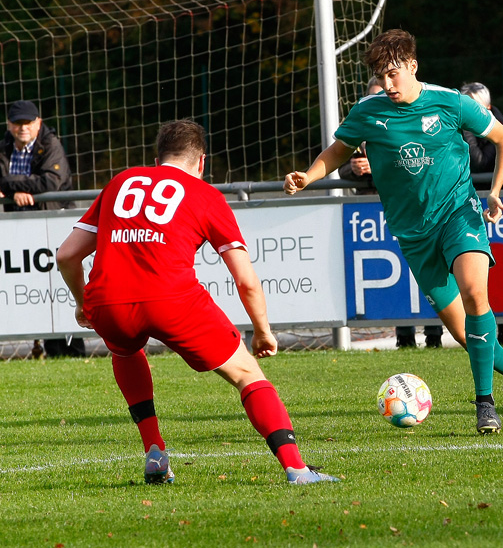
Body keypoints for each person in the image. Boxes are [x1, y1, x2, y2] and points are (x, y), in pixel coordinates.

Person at [284, 29, 503, 434]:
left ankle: (484, 405)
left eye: (393, 75)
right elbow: (339, 150)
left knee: (476, 295)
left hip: (459, 214)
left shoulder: (451, 103)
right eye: (381, 77)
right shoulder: (368, 111)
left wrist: (493, 190)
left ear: (412, 66)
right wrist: (309, 175)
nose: (387, 85)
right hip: (413, 234)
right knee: (461, 330)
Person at [56, 120, 335, 485]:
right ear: (201, 162)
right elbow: (246, 280)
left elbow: (65, 255)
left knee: (125, 352)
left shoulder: (121, 182)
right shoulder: (204, 194)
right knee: (248, 374)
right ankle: (296, 468)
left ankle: (154, 450)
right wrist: (263, 331)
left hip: (109, 302)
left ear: (157, 159)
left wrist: (83, 303)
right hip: (172, 301)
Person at [344, 77, 444, 349]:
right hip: (375, 213)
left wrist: (382, 169)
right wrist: (354, 169)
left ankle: (435, 334)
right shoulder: (363, 122)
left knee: (436, 274)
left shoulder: (418, 118)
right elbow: (341, 162)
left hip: (421, 210)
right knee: (398, 277)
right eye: (376, 94)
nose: (385, 95)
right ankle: (405, 335)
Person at [1, 99, 83, 357]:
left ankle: (73, 350)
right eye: (18, 123)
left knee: (61, 288)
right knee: (34, 287)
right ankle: (49, 347)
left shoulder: (50, 144)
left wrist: (11, 188)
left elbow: (52, 181)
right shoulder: (4, 147)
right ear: (9, 125)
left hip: (55, 224)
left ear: (38, 123)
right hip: (23, 230)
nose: (23, 128)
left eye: (28, 122)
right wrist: (20, 192)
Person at [460, 82, 503, 174]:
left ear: (488, 108)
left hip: (491, 186)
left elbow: (480, 164)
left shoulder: (499, 129)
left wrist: (465, 129)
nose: (469, 111)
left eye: (475, 106)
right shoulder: (453, 123)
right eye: (466, 106)